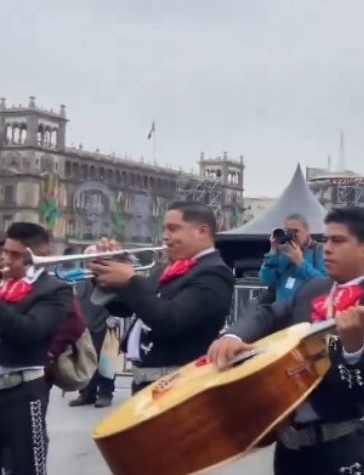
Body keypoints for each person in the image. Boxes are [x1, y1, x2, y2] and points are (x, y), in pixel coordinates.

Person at [207, 206, 364, 475]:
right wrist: (233, 335)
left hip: (342, 448)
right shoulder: (314, 288)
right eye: (326, 240)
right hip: (291, 448)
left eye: (338, 240)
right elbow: (268, 312)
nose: (327, 248)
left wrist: (354, 349)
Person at [89, 202, 235, 393]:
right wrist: (105, 271)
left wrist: (130, 281)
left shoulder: (214, 274)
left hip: (180, 386)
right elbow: (125, 308)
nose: (165, 236)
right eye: (164, 229)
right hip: (150, 384)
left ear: (202, 231)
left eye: (173, 229)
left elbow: (171, 320)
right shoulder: (169, 268)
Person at [0, 222, 73, 475]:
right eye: (5, 251)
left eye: (15, 254)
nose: (6, 259)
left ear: (37, 255)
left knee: (26, 468)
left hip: (23, 392)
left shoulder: (55, 290)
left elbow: (29, 331)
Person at [68, 247, 117, 408]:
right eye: (88, 259)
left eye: (93, 259)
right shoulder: (80, 279)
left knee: (105, 362)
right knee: (86, 361)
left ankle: (105, 394)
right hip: (85, 326)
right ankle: (86, 393)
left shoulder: (108, 278)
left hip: (104, 324)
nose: (90, 263)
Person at [259, 213, 326, 304]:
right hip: (283, 311)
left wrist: (300, 263)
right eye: (288, 231)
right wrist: (273, 250)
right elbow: (267, 280)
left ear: (307, 231)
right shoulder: (282, 250)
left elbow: (323, 283)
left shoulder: (318, 250)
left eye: (296, 231)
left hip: (306, 311)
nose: (292, 235)